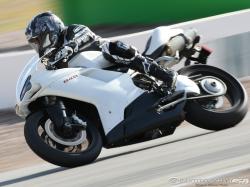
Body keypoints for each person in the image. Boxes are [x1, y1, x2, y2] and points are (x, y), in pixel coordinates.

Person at [25, 12, 178, 91]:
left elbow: (82, 38)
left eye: (39, 40)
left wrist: (68, 48)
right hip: (93, 80)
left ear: (51, 30)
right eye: (35, 43)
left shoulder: (72, 30)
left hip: (104, 59)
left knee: (114, 48)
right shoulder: (51, 60)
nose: (38, 46)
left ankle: (165, 75)